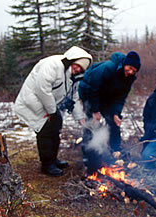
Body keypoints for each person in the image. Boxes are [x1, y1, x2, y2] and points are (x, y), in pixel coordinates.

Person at [14, 46, 93, 177]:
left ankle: (53, 159)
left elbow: (73, 97)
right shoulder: (53, 65)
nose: (78, 69)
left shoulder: (74, 77)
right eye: (77, 65)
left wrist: (80, 117)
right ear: (72, 60)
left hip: (50, 104)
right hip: (34, 100)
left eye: (81, 69)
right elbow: (42, 89)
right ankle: (46, 165)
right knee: (45, 130)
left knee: (56, 128)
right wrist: (52, 111)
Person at [78, 51, 141, 165]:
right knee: (92, 122)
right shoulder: (108, 67)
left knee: (114, 123)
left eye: (134, 71)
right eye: (130, 68)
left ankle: (115, 151)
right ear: (125, 64)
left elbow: (120, 98)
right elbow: (93, 88)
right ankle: (88, 155)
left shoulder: (129, 79)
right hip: (88, 93)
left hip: (106, 98)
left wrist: (116, 113)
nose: (130, 72)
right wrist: (95, 110)